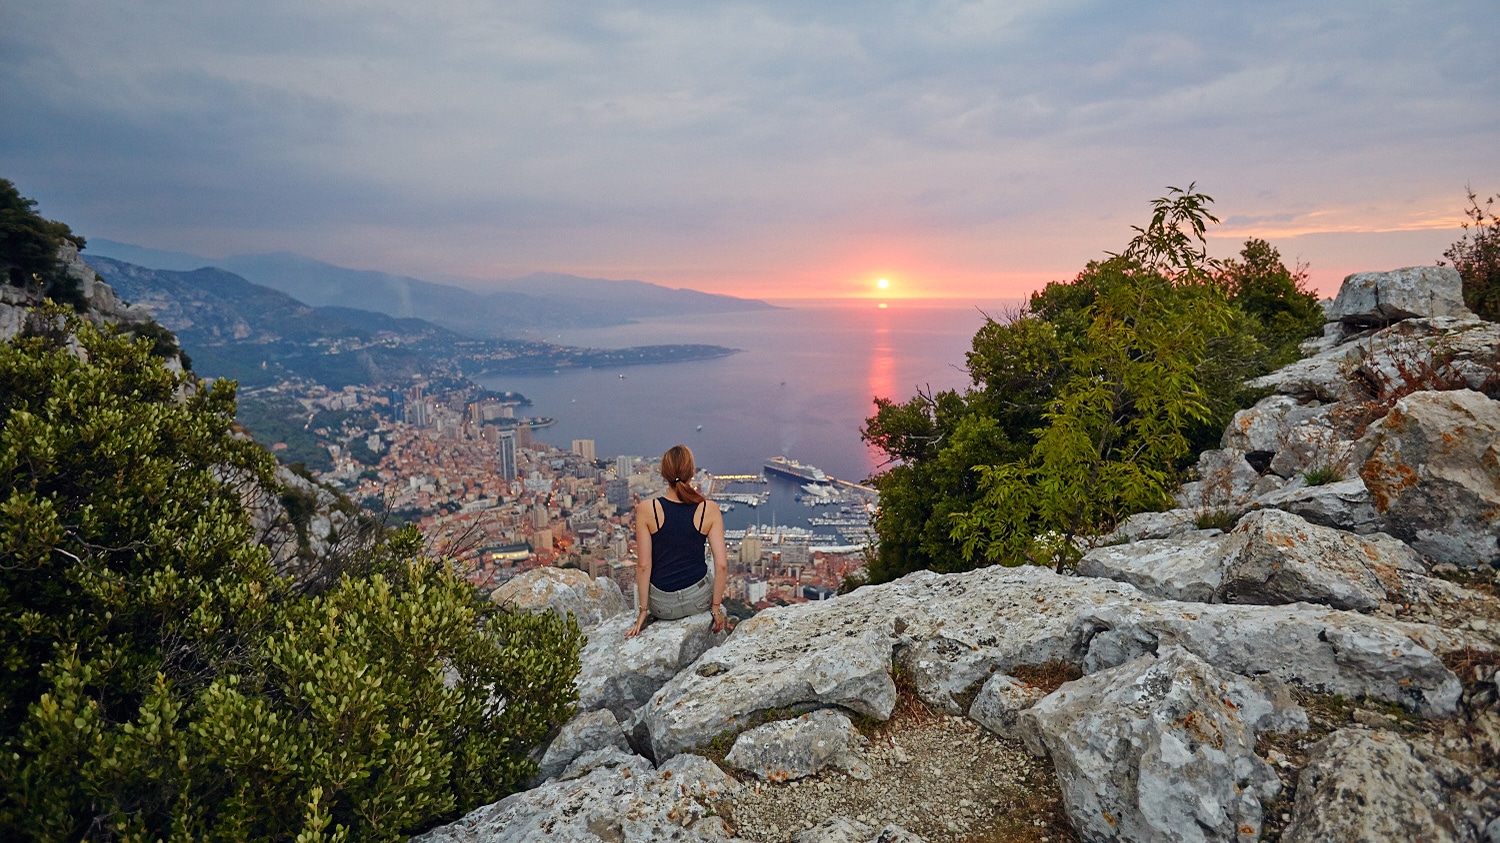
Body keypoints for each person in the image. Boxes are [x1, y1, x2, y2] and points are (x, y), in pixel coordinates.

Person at [625, 444, 728, 637]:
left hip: (663, 606)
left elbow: (643, 566)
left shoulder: (647, 509)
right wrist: (715, 608)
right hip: (699, 600)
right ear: (692, 472)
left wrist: (642, 611)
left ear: (664, 473)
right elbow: (721, 565)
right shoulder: (708, 509)